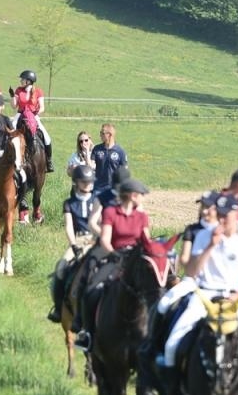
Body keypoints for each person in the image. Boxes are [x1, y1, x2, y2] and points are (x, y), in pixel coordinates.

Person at [160, 193, 238, 377]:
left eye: (225, 215)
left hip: (235, 298)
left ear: (236, 213)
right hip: (204, 296)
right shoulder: (204, 235)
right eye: (219, 214)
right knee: (172, 345)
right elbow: (191, 272)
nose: (221, 219)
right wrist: (210, 245)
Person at [74, 171, 156, 350]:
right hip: (113, 252)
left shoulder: (141, 215)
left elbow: (146, 240)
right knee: (92, 286)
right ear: (131, 194)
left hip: (134, 256)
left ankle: (153, 336)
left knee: (155, 287)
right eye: (140, 194)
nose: (142, 198)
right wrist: (115, 253)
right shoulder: (109, 208)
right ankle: (86, 331)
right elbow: (101, 235)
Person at [47, 165, 104, 324]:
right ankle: (58, 308)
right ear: (76, 182)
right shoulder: (69, 203)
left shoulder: (98, 201)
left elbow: (101, 223)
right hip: (78, 240)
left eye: (90, 181)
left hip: (96, 240)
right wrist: (73, 244)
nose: (88, 184)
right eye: (84, 182)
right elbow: (68, 227)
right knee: (61, 268)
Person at [10, 70, 53, 171]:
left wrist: (35, 114)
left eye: (23, 79)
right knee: (10, 132)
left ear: (29, 81)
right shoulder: (18, 90)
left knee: (47, 137)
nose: (21, 81)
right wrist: (12, 96)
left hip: (33, 116)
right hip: (20, 115)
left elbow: (42, 107)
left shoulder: (38, 91)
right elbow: (13, 106)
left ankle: (49, 160)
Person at [90, 124, 128, 203]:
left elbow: (124, 170)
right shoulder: (97, 149)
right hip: (98, 187)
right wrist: (87, 153)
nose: (100, 135)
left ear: (109, 135)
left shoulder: (120, 151)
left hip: (113, 189)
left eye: (102, 133)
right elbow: (92, 165)